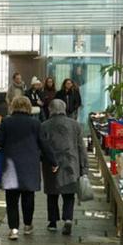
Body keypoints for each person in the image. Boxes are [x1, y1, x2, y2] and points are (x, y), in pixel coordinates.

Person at [0, 96, 58, 240]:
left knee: (11, 200)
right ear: (29, 107)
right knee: (28, 198)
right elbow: (44, 145)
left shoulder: (7, 122)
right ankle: (28, 225)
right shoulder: (36, 124)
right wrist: (53, 162)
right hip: (30, 165)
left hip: (10, 165)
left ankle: (14, 229)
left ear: (13, 106)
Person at [41, 99, 88, 235]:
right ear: (64, 109)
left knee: (52, 194)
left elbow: (42, 147)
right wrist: (84, 167)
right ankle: (68, 219)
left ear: (50, 110)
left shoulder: (44, 126)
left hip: (52, 163)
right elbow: (81, 148)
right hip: (71, 162)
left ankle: (53, 222)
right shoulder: (75, 125)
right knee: (69, 194)